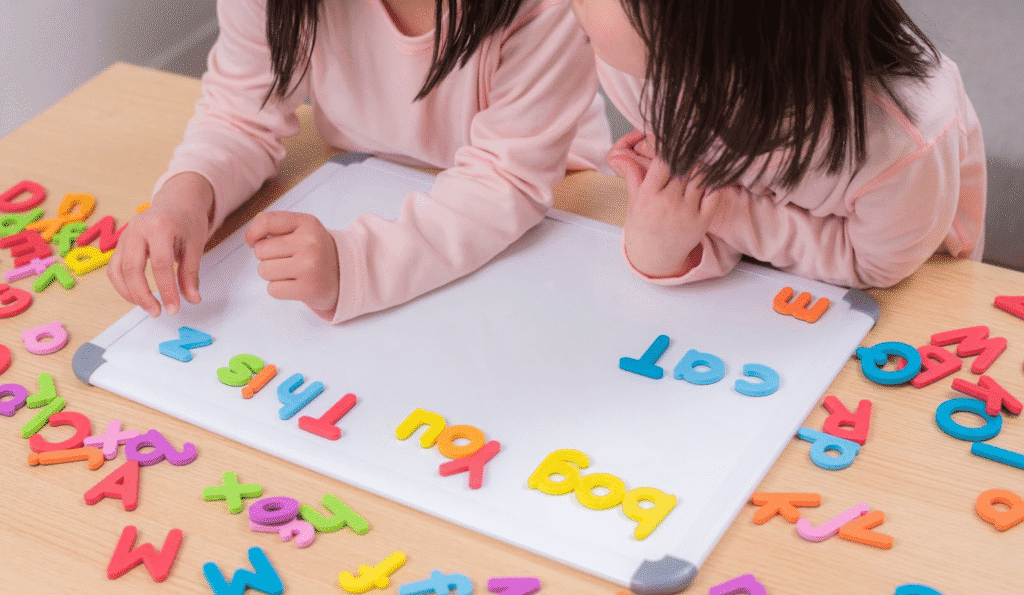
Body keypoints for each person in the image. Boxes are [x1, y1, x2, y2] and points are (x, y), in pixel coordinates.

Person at [109, 0, 610, 322]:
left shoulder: (551, 10)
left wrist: (355, 265)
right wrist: (185, 198)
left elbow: (505, 181)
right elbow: (240, 114)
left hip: (555, 216)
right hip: (362, 179)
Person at [570, 0, 986, 289]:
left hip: (904, 296)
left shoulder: (904, 140)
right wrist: (662, 249)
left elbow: (876, 268)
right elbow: (680, 207)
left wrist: (721, 212)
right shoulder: (634, 65)